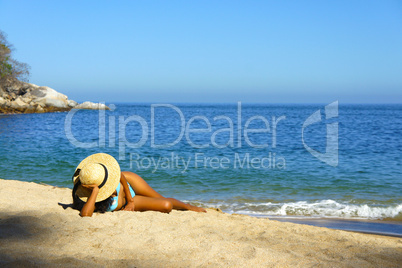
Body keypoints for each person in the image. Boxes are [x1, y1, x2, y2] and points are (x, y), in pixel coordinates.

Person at [72, 153, 206, 217]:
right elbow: (85, 215)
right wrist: (95, 191)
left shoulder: (109, 175)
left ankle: (189, 207)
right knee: (166, 205)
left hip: (130, 184)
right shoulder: (90, 198)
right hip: (127, 202)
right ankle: (185, 206)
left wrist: (130, 200)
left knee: (161, 198)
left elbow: (119, 174)